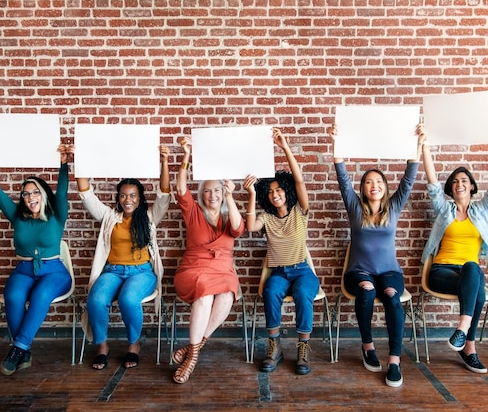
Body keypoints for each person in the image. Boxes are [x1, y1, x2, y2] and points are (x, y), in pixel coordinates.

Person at [328, 124, 424, 387]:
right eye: (369, 182)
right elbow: (342, 177)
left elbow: (409, 178)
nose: (374, 185)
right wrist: (336, 142)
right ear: (363, 188)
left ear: (385, 187)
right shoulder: (355, 208)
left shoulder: (394, 207)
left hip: (390, 273)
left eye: (379, 181)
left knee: (393, 298)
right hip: (358, 272)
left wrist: (417, 143)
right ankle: (368, 346)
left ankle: (394, 360)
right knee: (367, 290)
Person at [421, 125, 488, 374]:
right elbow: (432, 182)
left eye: (464, 180)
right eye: (455, 182)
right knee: (477, 291)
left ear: (472, 187)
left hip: (469, 272)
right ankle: (469, 346)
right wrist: (424, 145)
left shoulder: (482, 210)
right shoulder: (445, 210)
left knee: (473, 269)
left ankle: (462, 331)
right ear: (451, 189)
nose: (459, 184)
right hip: (441, 271)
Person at [0, 143, 74, 376]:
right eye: (25, 193)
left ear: (44, 194)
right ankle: (23, 351)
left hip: (54, 271)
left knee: (41, 294)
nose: (30, 197)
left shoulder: (57, 215)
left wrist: (64, 164)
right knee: (13, 295)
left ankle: (17, 348)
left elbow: (63, 190)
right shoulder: (17, 216)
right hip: (24, 269)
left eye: (35, 191)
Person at [76, 145, 171, 370]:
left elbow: (164, 195)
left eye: (132, 195)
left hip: (142, 272)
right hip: (113, 271)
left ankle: (133, 345)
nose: (128, 199)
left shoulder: (149, 217)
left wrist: (164, 161)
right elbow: (86, 194)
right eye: (123, 195)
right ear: (118, 198)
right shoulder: (110, 216)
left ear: (139, 198)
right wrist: (78, 159)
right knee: (96, 300)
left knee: (129, 300)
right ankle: (102, 346)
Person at [242, 127, 319, 376]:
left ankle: (303, 348)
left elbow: (299, 180)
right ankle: (274, 347)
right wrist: (252, 194)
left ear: (287, 191)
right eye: (271, 191)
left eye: (279, 190)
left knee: (303, 294)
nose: (275, 194)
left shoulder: (300, 212)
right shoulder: (266, 217)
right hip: (279, 272)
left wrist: (284, 147)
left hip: (302, 270)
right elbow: (251, 226)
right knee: (271, 291)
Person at [171, 136, 245, 384]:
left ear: (222, 193)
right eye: (207, 190)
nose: (212, 194)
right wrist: (186, 157)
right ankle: (192, 358)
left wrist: (232, 197)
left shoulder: (228, 212)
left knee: (227, 294)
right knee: (204, 293)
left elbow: (237, 229)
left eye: (217, 190)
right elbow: (181, 188)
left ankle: (193, 350)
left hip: (223, 270)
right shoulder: (193, 211)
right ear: (201, 194)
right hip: (194, 269)